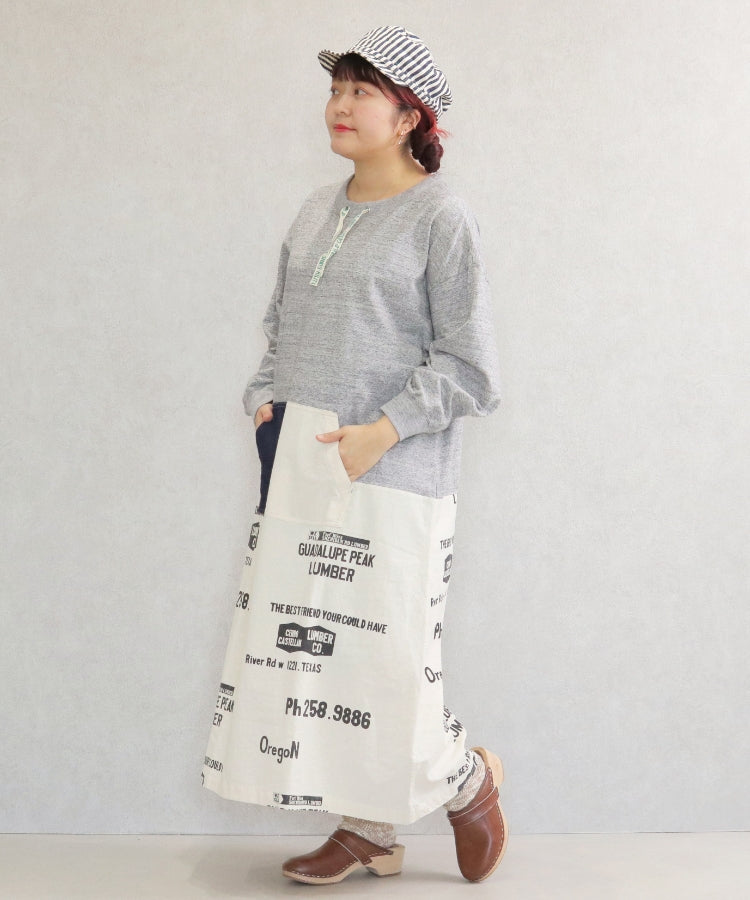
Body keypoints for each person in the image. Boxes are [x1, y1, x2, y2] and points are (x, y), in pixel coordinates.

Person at [203, 25, 507, 884]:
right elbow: (279, 326)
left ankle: (467, 781)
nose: (339, 105)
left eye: (361, 91)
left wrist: (385, 430)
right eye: (336, 88)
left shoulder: (441, 218)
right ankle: (369, 828)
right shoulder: (314, 209)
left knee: (385, 663)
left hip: (395, 474)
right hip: (300, 467)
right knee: (313, 662)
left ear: (410, 117)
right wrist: (263, 401)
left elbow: (472, 367)